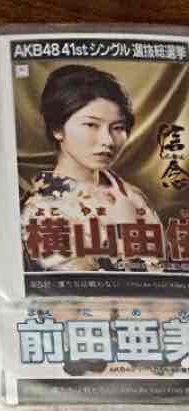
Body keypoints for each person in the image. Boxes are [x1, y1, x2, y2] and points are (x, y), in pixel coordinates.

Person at [20, 64, 163, 273]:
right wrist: (125, 230)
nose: (108, 140)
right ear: (57, 128)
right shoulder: (40, 209)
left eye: (118, 127)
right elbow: (84, 287)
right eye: (91, 125)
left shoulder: (131, 194)